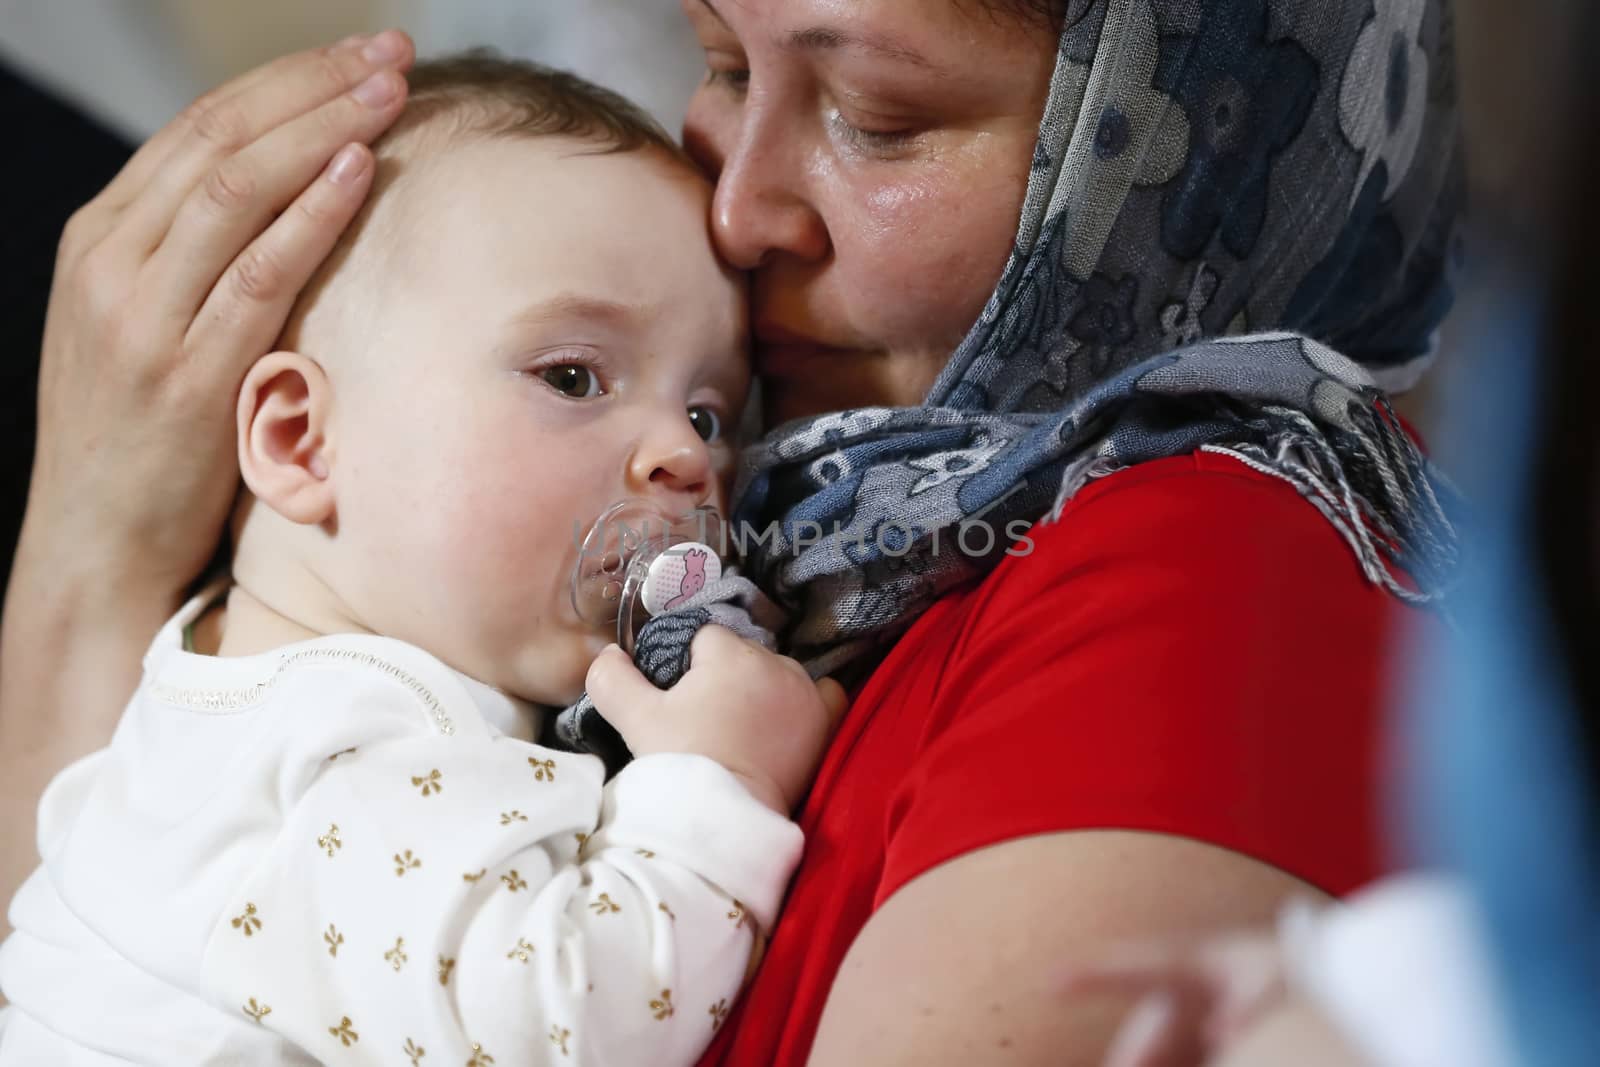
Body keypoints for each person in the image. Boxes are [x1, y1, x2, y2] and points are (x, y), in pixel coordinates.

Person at [0, 0, 1464, 1061]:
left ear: (1180, 159)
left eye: (875, 116)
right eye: (714, 62)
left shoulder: (1209, 555)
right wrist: (91, 557)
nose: (742, 204)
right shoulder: (801, 537)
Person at [0, 56, 842, 1065]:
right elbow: (564, 1023)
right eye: (572, 375)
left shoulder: (221, 683)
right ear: (300, 438)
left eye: (707, 408)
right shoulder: (344, 751)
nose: (687, 455)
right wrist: (721, 779)